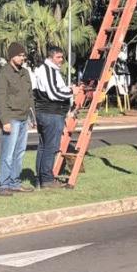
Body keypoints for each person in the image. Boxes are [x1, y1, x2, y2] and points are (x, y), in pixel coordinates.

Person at [32, 45, 82, 189]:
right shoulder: (47, 70)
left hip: (47, 113)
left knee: (43, 147)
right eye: (58, 57)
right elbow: (54, 94)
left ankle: (40, 179)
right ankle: (47, 180)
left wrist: (68, 90)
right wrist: (72, 91)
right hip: (51, 114)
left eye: (62, 57)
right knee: (50, 147)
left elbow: (55, 90)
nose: (61, 60)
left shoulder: (49, 70)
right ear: (50, 57)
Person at [0, 42, 35, 196]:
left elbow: (30, 96)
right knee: (8, 153)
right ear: (12, 56)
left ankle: (15, 183)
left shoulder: (25, 73)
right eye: (19, 55)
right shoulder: (3, 74)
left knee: (20, 153)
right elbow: (0, 99)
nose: (22, 58)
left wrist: (33, 117)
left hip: (24, 118)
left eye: (24, 55)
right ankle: (3, 185)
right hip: (11, 119)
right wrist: (5, 121)